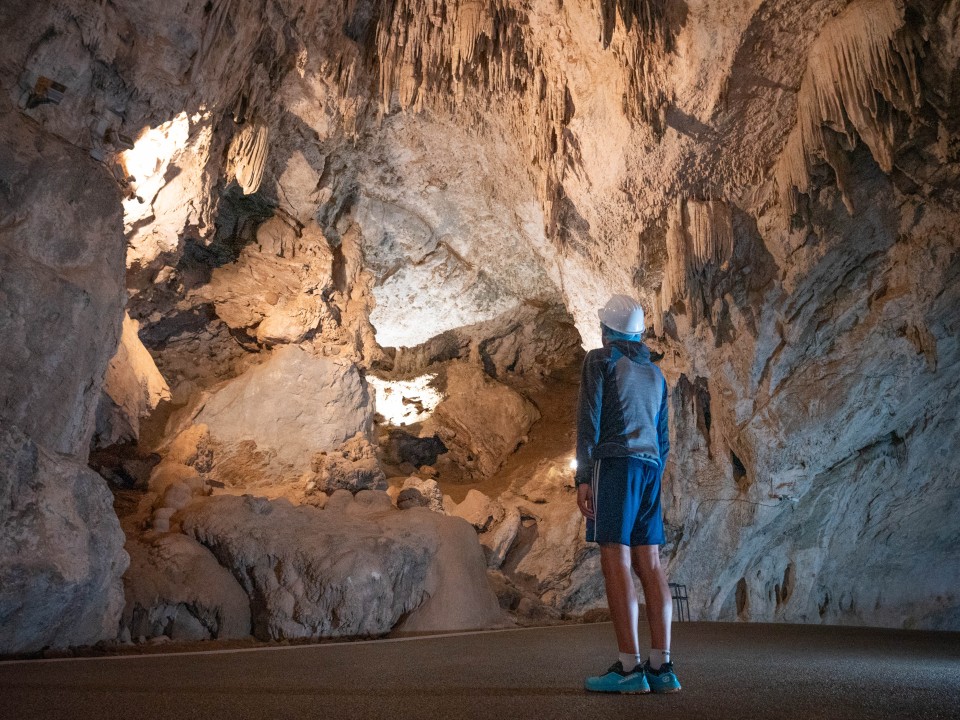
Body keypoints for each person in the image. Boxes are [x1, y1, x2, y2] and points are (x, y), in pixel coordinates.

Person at [575, 294, 680, 694]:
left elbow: (589, 419)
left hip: (615, 463)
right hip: (650, 469)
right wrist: (651, 474)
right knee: (650, 564)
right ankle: (662, 666)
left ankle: (628, 667)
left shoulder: (599, 361)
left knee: (614, 556)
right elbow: (664, 439)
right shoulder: (657, 375)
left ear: (607, 331)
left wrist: (584, 476)